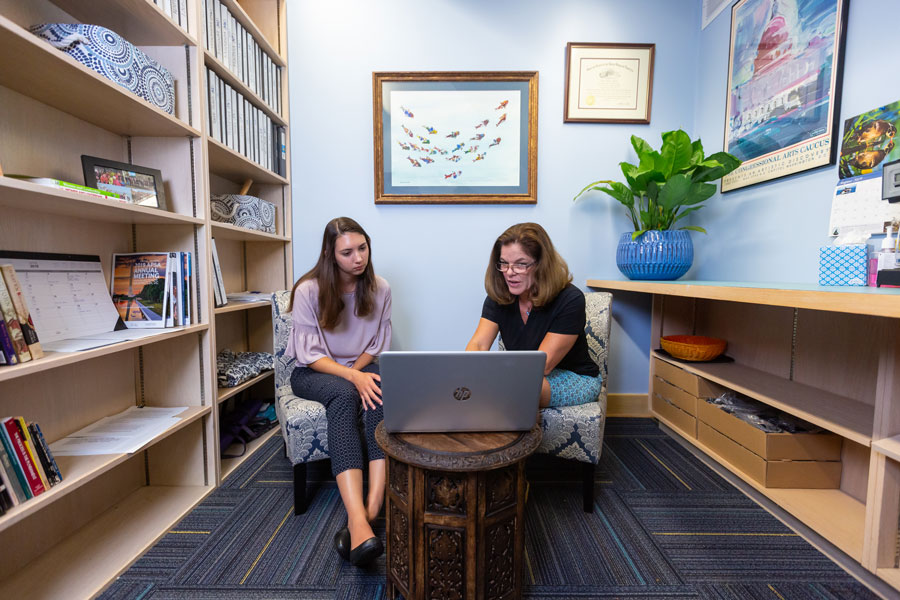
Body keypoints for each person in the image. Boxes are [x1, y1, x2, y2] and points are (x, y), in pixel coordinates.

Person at [286, 217, 391, 567]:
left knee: (378, 393)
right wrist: (350, 378)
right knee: (344, 396)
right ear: (331, 255)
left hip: (359, 365)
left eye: (362, 248)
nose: (358, 258)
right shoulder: (308, 291)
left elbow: (375, 345)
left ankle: (370, 511)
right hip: (314, 371)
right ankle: (358, 518)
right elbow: (310, 355)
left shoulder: (381, 289)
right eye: (347, 252)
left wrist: (358, 375)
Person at [466, 222, 600, 409]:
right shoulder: (498, 297)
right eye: (504, 263)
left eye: (520, 264)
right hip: (518, 375)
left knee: (521, 389)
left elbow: (541, 365)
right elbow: (478, 345)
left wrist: (491, 377)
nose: (510, 273)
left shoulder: (570, 299)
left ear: (541, 265)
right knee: (482, 386)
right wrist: (466, 373)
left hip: (572, 376)